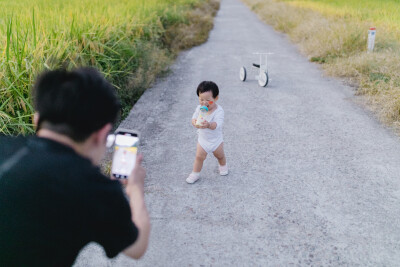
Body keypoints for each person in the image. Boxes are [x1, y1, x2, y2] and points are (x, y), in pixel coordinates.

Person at [0, 68, 150, 266]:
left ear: (36, 120)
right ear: (102, 134)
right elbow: (137, 246)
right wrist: (136, 189)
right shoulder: (94, 188)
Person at [186, 81, 228, 184]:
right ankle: (195, 173)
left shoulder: (219, 111)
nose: (204, 103)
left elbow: (217, 124)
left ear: (216, 98)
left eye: (208, 100)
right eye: (201, 99)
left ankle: (223, 165)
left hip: (216, 140)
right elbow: (194, 118)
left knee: (220, 155)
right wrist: (195, 122)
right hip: (203, 140)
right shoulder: (199, 109)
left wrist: (209, 125)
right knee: (199, 157)